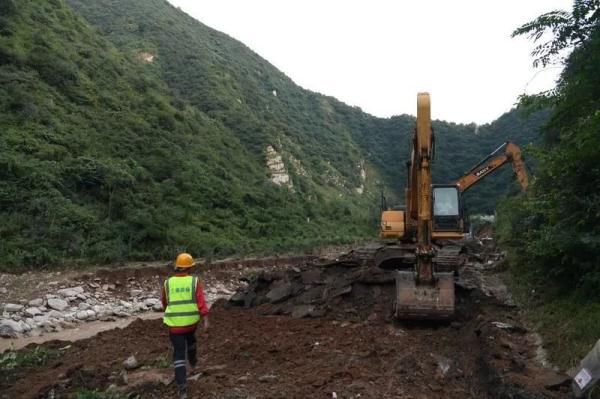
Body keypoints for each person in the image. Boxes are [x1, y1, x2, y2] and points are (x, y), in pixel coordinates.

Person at [161, 252, 210, 399]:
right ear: (190, 268)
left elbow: (164, 302)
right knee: (191, 340)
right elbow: (201, 302)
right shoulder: (194, 281)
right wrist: (206, 320)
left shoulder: (167, 283)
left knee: (178, 355)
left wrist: (172, 313)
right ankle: (193, 362)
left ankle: (182, 388)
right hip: (191, 323)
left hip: (174, 326)